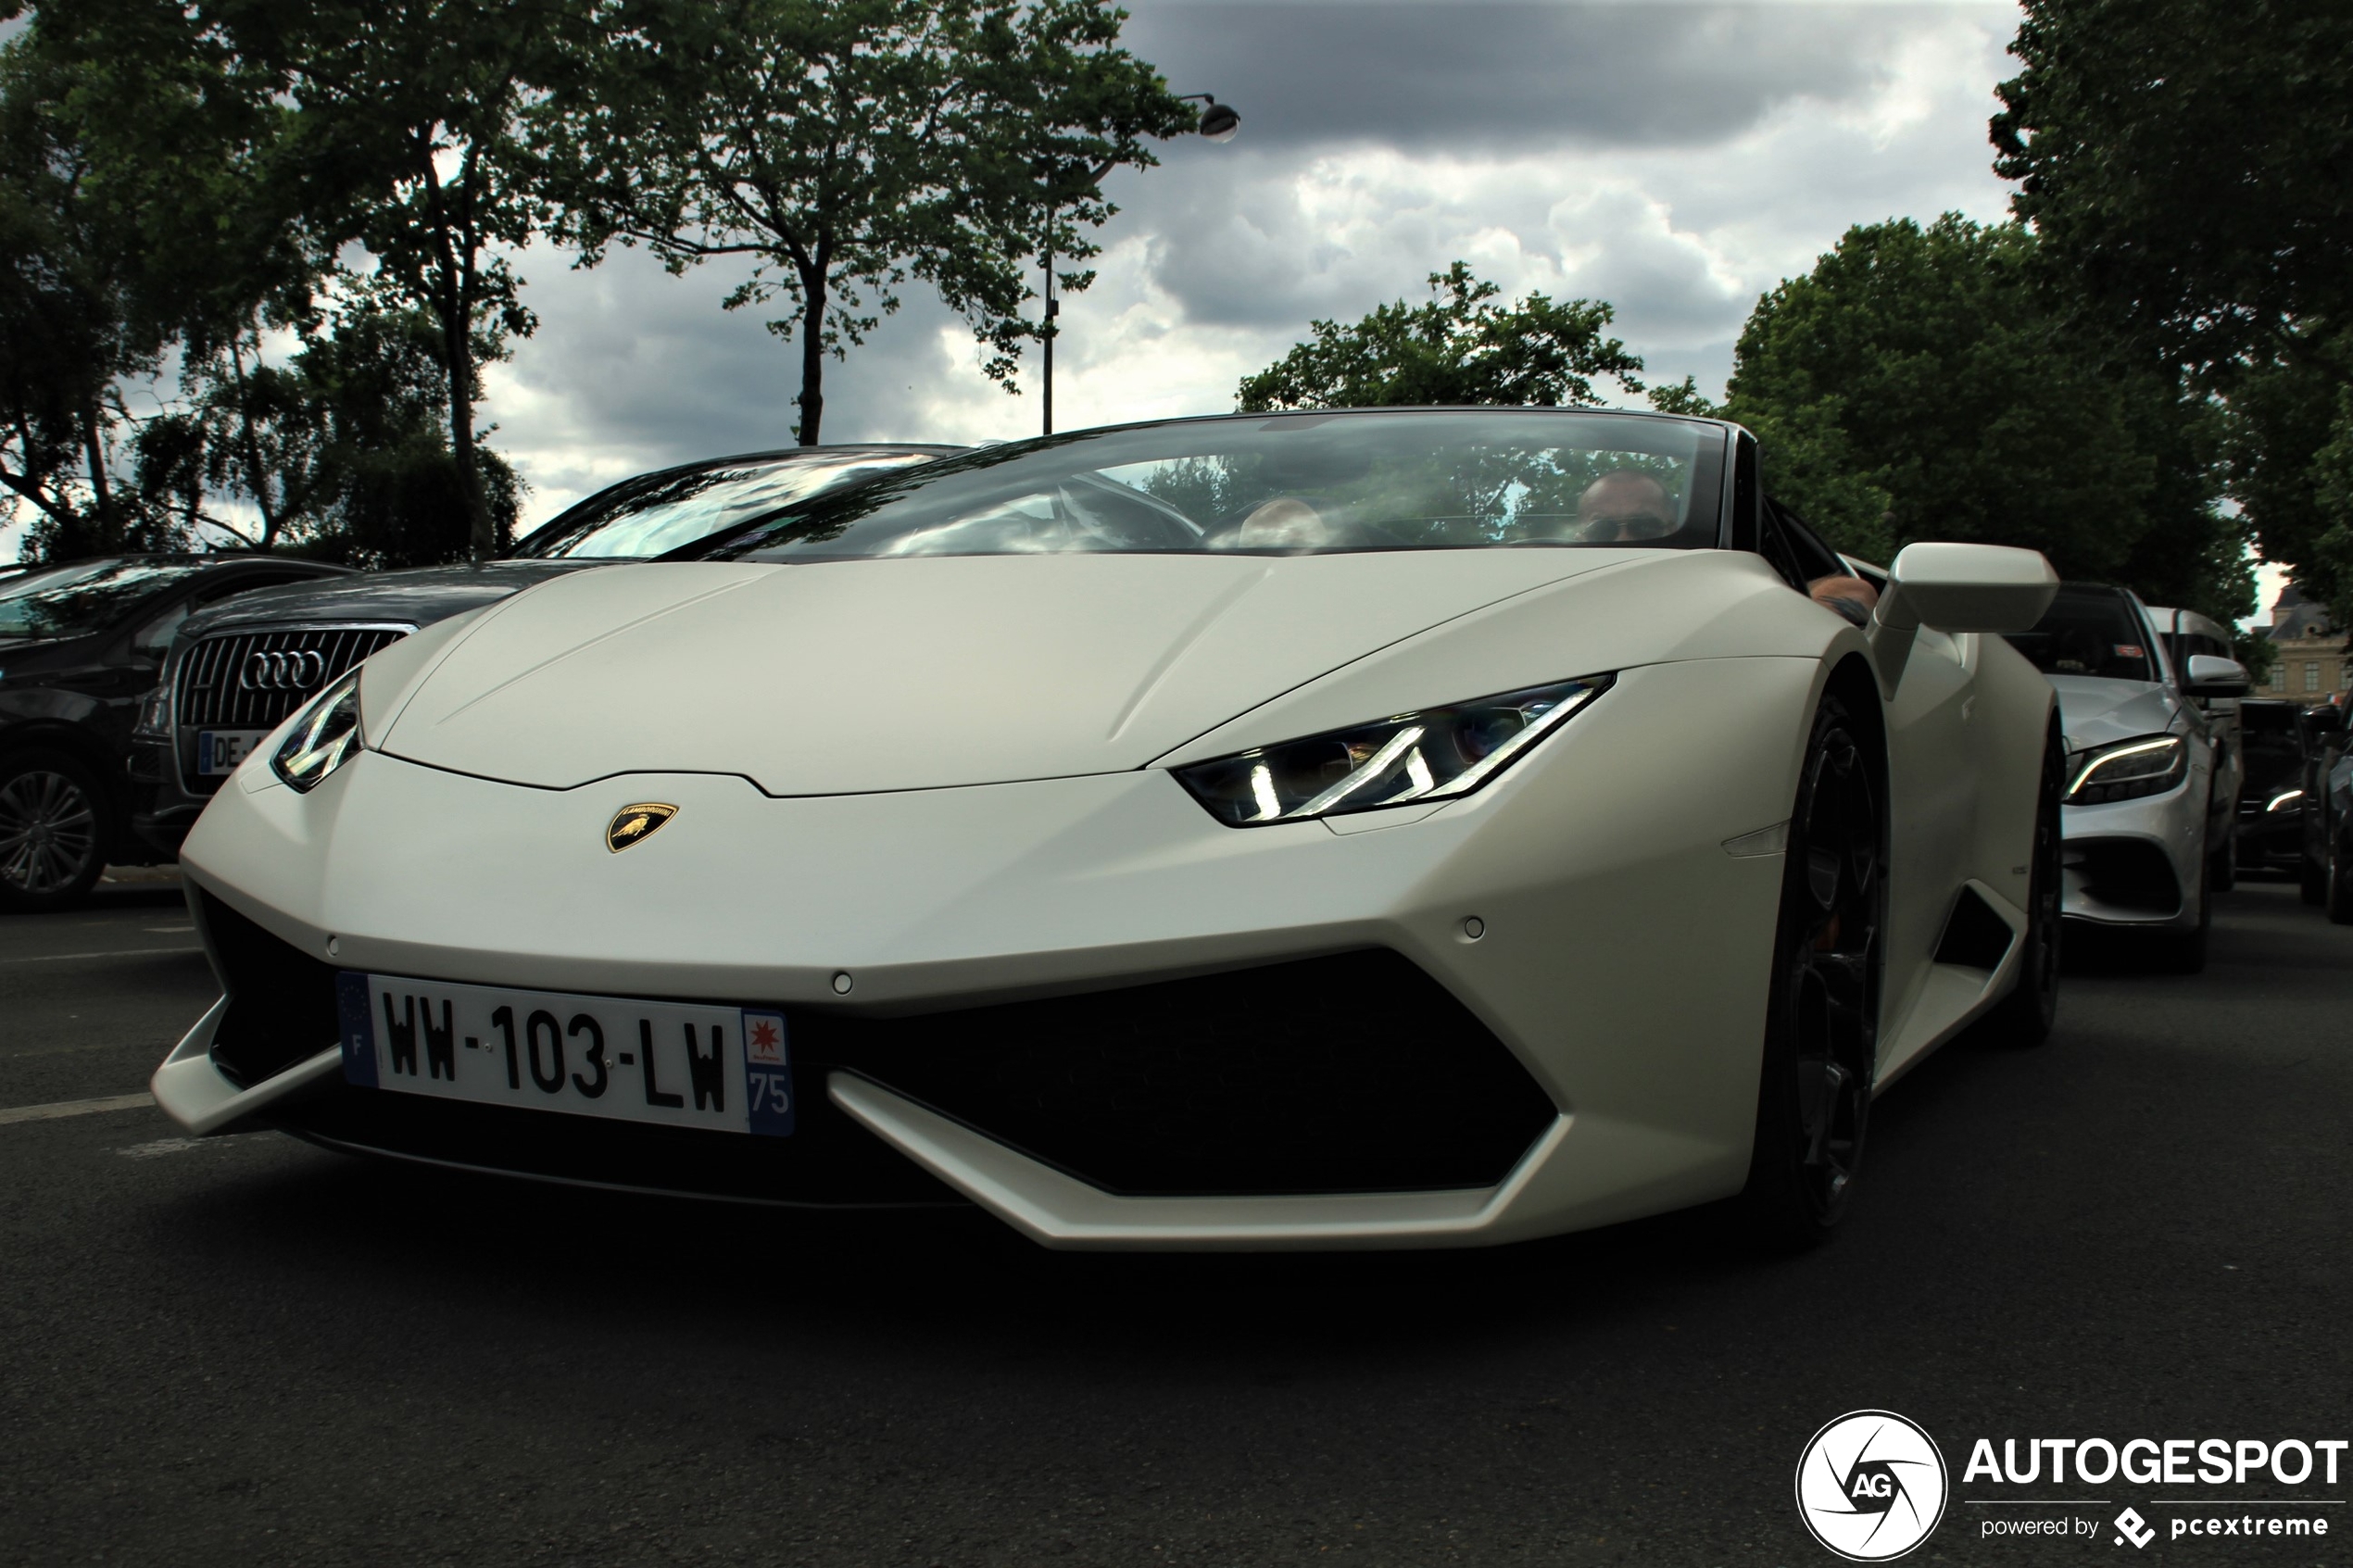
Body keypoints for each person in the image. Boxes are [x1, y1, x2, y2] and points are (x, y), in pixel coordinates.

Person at [1571, 470, 1879, 622]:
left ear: (1674, 529)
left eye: (1645, 527)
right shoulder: (1546, 594)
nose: (1624, 539)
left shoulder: (1720, 585)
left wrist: (1779, 612)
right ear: (1581, 539)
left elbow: (1858, 593)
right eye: (1604, 528)